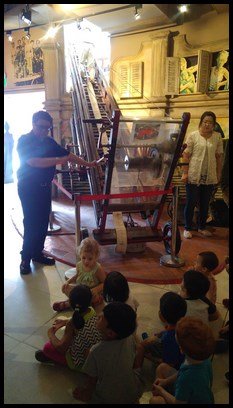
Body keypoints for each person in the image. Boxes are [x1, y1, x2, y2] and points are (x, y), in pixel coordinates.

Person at [17, 110, 102, 275]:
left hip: (43, 187)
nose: (44, 131)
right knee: (31, 222)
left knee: (42, 221)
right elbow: (33, 162)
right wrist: (57, 161)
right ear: (33, 124)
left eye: (48, 128)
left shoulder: (48, 141)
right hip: (28, 188)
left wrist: (89, 164)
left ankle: (37, 253)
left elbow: (68, 155)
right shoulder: (24, 140)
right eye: (41, 127)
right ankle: (25, 258)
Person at [72, 302, 145, 404]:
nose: (98, 315)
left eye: (101, 318)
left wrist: (87, 392)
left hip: (109, 398)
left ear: (110, 333)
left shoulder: (95, 351)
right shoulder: (128, 337)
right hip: (134, 392)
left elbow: (91, 381)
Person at [149, 316, 215, 404]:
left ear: (181, 349)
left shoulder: (186, 378)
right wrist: (165, 381)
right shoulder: (202, 359)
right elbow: (182, 370)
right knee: (162, 368)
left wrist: (161, 391)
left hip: (183, 399)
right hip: (201, 396)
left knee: (155, 401)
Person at [35, 284, 102, 369]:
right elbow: (83, 320)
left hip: (80, 363)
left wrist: (51, 333)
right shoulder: (92, 310)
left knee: (47, 347)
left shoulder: (72, 324)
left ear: (70, 303)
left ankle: (53, 359)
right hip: (94, 355)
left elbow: (61, 347)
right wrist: (65, 322)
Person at [182, 111, 223, 238]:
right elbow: (186, 155)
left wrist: (218, 174)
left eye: (210, 122)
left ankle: (202, 227)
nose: (207, 124)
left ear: (214, 124)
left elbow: (219, 157)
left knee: (205, 203)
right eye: (205, 121)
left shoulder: (217, 137)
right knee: (191, 202)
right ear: (201, 122)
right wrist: (185, 173)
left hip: (209, 175)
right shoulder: (193, 136)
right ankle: (187, 228)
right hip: (194, 174)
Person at [52, 237, 106, 311]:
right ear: (80, 254)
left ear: (96, 257)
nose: (86, 261)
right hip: (80, 290)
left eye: (90, 259)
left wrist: (96, 290)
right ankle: (80, 304)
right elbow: (77, 275)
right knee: (65, 288)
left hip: (91, 293)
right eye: (83, 258)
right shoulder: (79, 265)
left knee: (93, 299)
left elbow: (105, 283)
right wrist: (68, 282)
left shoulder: (97, 268)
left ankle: (69, 304)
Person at [141, 292, 187, 370]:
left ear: (162, 317)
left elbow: (169, 365)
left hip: (176, 369)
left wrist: (148, 356)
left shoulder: (168, 338)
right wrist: (162, 333)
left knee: (143, 345)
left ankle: (136, 373)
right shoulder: (185, 324)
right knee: (152, 339)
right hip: (180, 356)